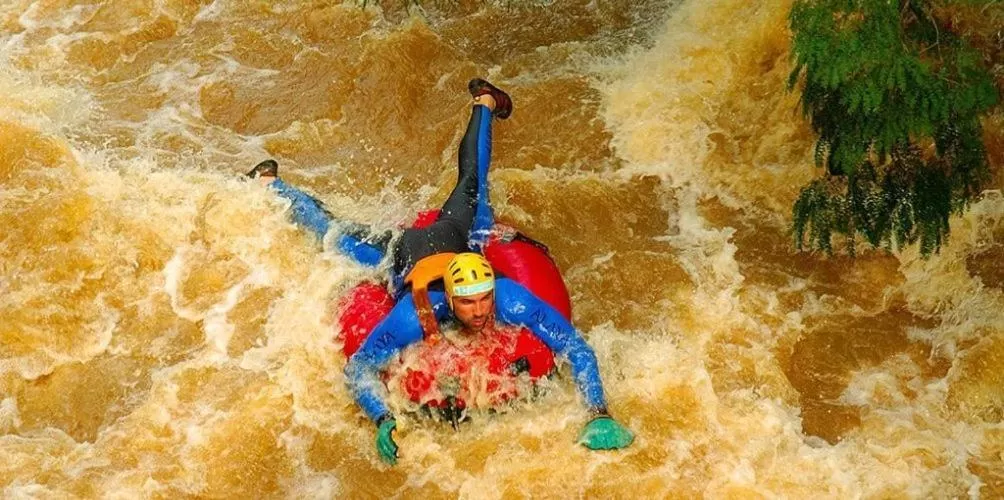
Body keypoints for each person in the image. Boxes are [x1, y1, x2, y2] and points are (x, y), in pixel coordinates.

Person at [326, 80, 635, 465]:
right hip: (404, 254)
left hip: (453, 235)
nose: (480, 311)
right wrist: (382, 418)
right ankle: (272, 185)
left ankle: (485, 101)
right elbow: (360, 369)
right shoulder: (416, 314)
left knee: (472, 180)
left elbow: (576, 348)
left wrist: (598, 413)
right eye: (468, 303)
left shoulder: (512, 301)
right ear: (451, 301)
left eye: (484, 297)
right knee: (333, 233)